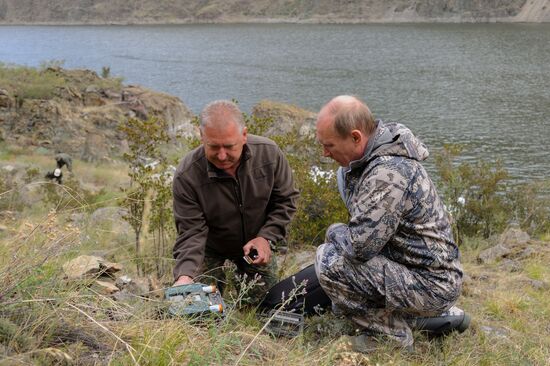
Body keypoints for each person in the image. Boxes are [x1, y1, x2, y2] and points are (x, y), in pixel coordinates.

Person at [314, 95, 463, 352]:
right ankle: (416, 317)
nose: (325, 153)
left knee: (329, 261)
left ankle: (391, 336)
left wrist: (334, 231)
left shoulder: (387, 174)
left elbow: (359, 248)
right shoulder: (373, 159)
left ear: (356, 137)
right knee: (336, 254)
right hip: (421, 272)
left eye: (329, 145)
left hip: (430, 284)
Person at [171, 100, 299, 304]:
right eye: (213, 146)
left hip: (255, 244)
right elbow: (191, 231)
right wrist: (185, 275)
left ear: (244, 135)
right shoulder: (187, 175)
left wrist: (267, 237)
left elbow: (286, 200)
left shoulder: (269, 154)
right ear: (201, 136)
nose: (222, 156)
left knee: (265, 305)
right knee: (198, 305)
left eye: (229, 146)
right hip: (209, 247)